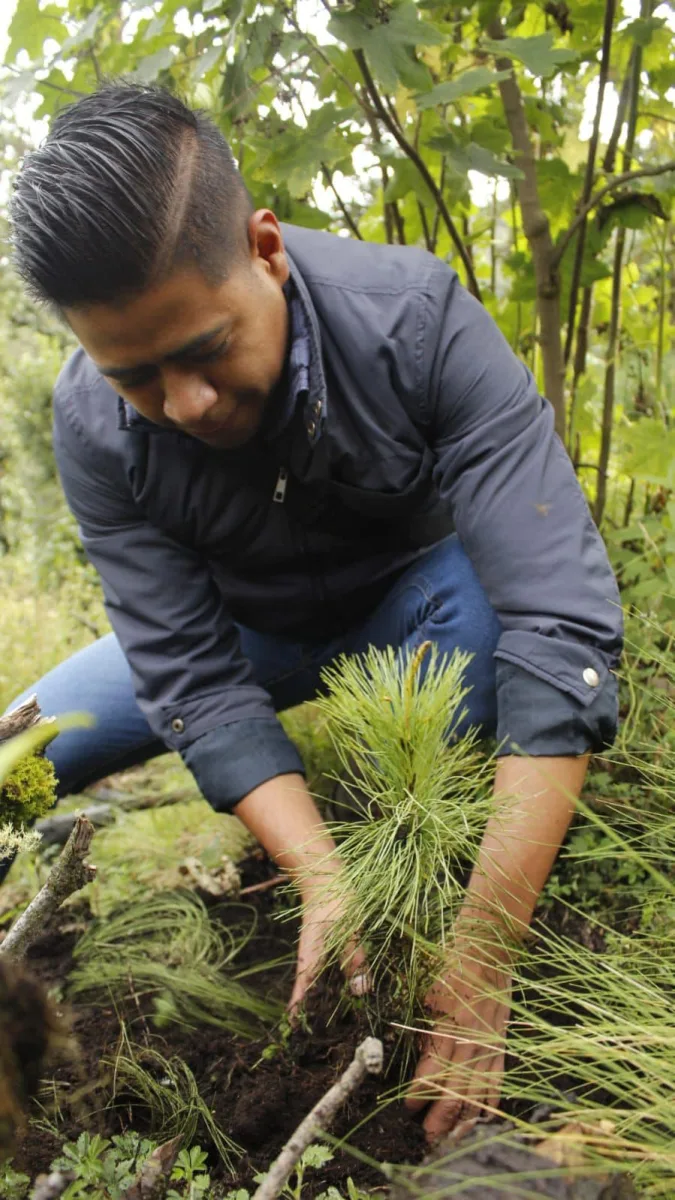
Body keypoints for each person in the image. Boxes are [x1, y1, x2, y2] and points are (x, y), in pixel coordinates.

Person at [9, 83, 622, 1142]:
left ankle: (429, 850)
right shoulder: (89, 424)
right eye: (138, 377)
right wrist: (319, 877)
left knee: (489, 651)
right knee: (16, 746)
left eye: (205, 349)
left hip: (419, 602)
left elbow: (558, 623)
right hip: (247, 626)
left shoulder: (416, 320)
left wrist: (485, 951)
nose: (186, 404)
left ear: (266, 247)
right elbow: (191, 675)